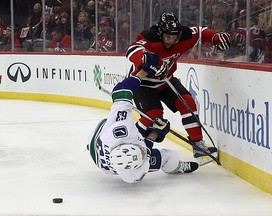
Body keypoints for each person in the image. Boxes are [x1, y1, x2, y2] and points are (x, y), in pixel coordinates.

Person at [126, 12, 232, 165]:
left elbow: (201, 32)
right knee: (154, 115)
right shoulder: (149, 38)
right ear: (160, 32)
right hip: (143, 84)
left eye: (174, 37)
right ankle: (133, 145)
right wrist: (146, 59)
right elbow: (132, 50)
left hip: (166, 81)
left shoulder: (183, 36)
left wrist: (215, 37)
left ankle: (198, 146)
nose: (171, 40)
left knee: (188, 103)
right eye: (168, 36)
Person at [87, 58, 199, 183]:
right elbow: (147, 150)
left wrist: (143, 72)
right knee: (169, 157)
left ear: (129, 144)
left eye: (140, 151)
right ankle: (176, 167)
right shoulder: (134, 174)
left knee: (112, 127)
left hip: (96, 138)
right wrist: (155, 132)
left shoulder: (121, 126)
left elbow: (121, 91)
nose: (143, 152)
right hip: (105, 162)